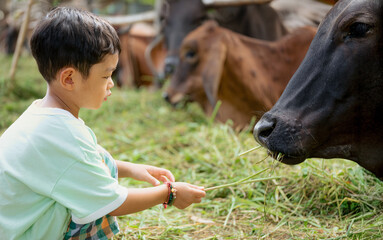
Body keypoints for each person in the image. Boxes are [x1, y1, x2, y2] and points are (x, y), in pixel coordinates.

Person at [0, 7, 206, 240]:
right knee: (92, 204)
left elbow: (82, 162)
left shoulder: (42, 114)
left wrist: (131, 169)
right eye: (106, 76)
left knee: (98, 170)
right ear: (69, 79)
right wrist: (169, 194)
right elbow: (112, 202)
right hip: (24, 234)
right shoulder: (60, 132)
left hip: (16, 225)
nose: (111, 84)